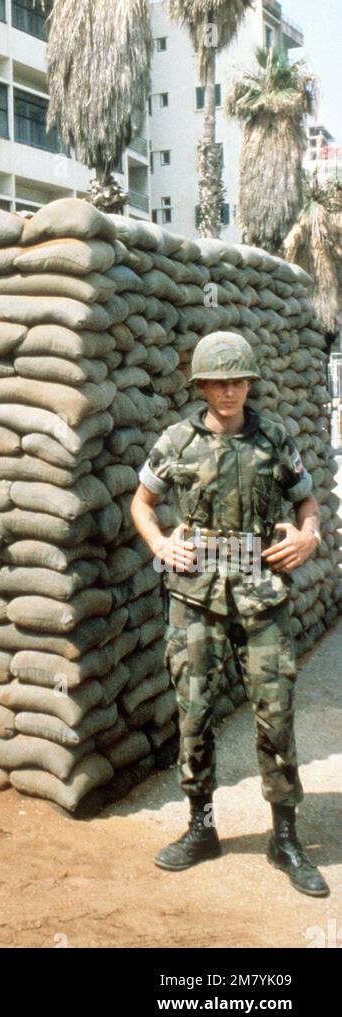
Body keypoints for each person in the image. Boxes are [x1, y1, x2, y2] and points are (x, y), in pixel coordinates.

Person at [130, 330, 328, 897]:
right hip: (194, 597)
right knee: (194, 714)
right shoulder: (175, 442)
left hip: (263, 593)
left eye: (238, 380)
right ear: (202, 386)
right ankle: (201, 829)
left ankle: (284, 838)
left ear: (249, 384)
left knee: (275, 712)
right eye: (218, 381)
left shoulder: (274, 438)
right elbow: (141, 503)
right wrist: (160, 545)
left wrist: (309, 536)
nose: (228, 391)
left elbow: (307, 501)